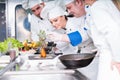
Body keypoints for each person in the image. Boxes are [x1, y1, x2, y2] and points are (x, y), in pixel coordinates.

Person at [64, 0, 120, 80]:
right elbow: (88, 31)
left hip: (111, 56)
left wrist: (118, 59)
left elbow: (114, 30)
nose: (69, 12)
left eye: (69, 7)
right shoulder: (101, 4)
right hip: (110, 53)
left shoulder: (97, 7)